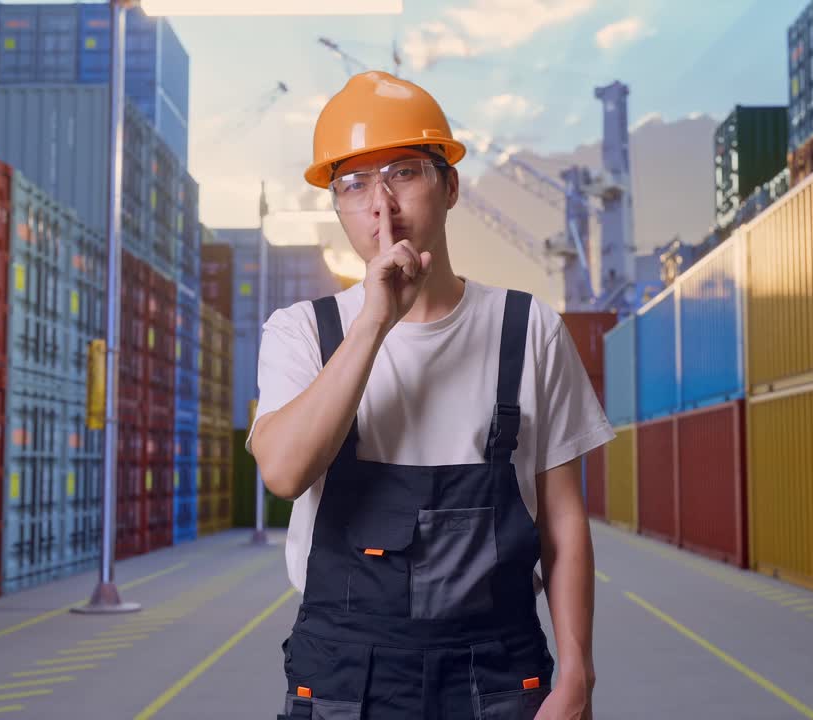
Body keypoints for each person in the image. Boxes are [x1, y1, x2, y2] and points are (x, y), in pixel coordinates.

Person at [246, 70, 615, 720]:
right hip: (345, 682)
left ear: (450, 187)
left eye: (404, 173)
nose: (381, 205)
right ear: (337, 206)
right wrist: (374, 322)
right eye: (354, 184)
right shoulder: (303, 332)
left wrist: (577, 677)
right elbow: (282, 472)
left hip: (500, 677)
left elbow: (562, 520)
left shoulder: (526, 329)